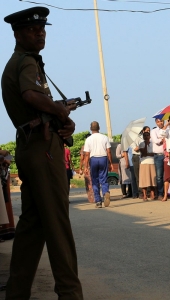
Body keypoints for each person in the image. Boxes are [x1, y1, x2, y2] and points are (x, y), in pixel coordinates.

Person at [1, 7, 83, 298]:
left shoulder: (21, 62)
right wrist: (60, 109)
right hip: (41, 149)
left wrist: (63, 119)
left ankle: (17, 292)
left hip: (32, 145)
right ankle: (71, 294)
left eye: (43, 29)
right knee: (58, 226)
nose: (40, 33)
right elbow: (30, 95)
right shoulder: (26, 63)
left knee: (32, 228)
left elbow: (35, 106)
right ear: (18, 33)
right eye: (33, 30)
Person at [83, 121, 113, 208]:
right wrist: (110, 163)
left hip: (93, 159)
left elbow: (87, 154)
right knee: (104, 179)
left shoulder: (88, 139)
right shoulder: (104, 137)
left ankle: (98, 201)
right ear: (99, 128)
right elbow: (109, 151)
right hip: (103, 158)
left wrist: (85, 166)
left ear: (90, 129)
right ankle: (105, 192)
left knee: (95, 181)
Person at [0, 150, 15, 242]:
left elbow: (10, 159)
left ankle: (6, 231)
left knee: (5, 205)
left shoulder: (5, 154)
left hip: (3, 181)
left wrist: (5, 156)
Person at [131, 126, 149, 198]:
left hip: (144, 156)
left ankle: (147, 191)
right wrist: (142, 145)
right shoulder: (132, 138)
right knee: (138, 175)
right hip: (137, 156)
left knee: (145, 175)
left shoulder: (142, 137)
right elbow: (135, 149)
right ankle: (140, 192)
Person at [138, 131, 156, 200]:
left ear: (150, 136)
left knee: (152, 179)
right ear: (143, 137)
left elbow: (154, 153)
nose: (146, 137)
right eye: (144, 135)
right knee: (144, 180)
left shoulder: (153, 144)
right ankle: (145, 195)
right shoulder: (141, 144)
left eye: (147, 135)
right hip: (144, 162)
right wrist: (145, 144)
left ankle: (152, 194)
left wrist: (148, 154)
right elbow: (144, 153)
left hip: (151, 162)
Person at [151, 118, 166, 200]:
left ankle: (169, 192)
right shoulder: (154, 131)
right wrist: (163, 139)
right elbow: (157, 141)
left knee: (168, 175)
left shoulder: (168, 129)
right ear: (156, 123)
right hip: (158, 155)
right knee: (159, 176)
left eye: (161, 121)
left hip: (168, 155)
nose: (160, 122)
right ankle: (160, 193)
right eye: (158, 121)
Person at [79, 133, 94, 203]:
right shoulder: (94, 146)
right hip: (93, 165)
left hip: (86, 167)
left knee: (88, 182)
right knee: (94, 181)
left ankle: (90, 198)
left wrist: (80, 168)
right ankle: (96, 196)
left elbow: (81, 158)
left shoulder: (84, 147)